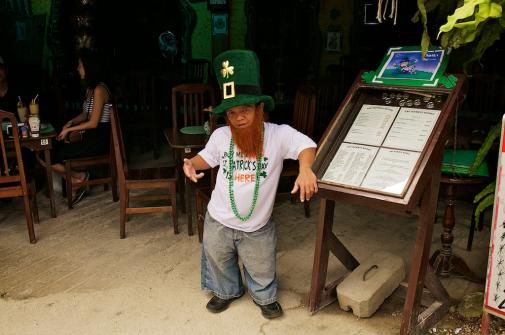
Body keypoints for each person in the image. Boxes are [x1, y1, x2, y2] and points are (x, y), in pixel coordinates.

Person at [183, 50, 318, 319]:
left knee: (262, 266)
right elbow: (205, 158)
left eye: (245, 110)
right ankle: (226, 291)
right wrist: (191, 164)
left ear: (260, 109)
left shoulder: (278, 135)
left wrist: (305, 170)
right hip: (219, 219)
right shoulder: (222, 136)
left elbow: (307, 146)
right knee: (218, 260)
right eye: (232, 113)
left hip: (257, 225)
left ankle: (263, 296)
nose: (239, 118)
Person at [50, 49, 112, 206]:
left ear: (89, 67)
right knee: (49, 152)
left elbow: (93, 123)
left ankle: (79, 178)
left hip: (98, 140)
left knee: (50, 155)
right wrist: (69, 123)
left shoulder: (100, 90)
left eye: (80, 65)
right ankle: (78, 177)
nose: (78, 69)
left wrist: (68, 131)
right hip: (91, 137)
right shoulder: (90, 90)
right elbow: (85, 115)